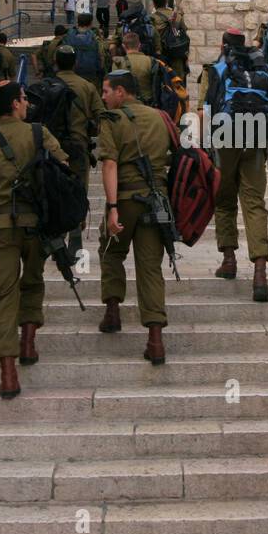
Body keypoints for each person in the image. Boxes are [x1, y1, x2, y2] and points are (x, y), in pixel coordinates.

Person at [0, 80, 70, 397]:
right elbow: (64, 169)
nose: (27, 103)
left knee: (3, 295)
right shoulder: (39, 134)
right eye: (24, 99)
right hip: (37, 226)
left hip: (1, 228)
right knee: (33, 281)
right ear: (14, 103)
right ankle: (28, 342)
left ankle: (8, 373)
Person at [96, 69, 173, 365]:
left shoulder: (111, 119)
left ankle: (113, 312)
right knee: (151, 267)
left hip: (126, 198)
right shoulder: (159, 117)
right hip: (156, 202)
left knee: (111, 251)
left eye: (106, 91)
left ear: (120, 92)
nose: (102, 97)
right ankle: (155, 341)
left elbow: (110, 165)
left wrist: (113, 207)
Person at [198, 28, 268, 301]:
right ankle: (260, 273)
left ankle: (229, 260)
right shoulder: (261, 67)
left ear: (223, 44)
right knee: (254, 203)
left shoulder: (217, 69)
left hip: (225, 136)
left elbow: (204, 110)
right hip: (255, 137)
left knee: (225, 198)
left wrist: (205, 145)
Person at [53, 44, 106, 257]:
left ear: (56, 62)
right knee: (77, 193)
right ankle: (75, 240)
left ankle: (55, 240)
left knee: (54, 192)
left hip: (52, 150)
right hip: (78, 148)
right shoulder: (87, 86)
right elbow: (101, 115)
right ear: (75, 63)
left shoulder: (47, 85)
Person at [149, 0, 190, 81]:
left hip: (159, 58)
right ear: (166, 1)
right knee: (178, 84)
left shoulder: (151, 19)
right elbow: (184, 33)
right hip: (176, 56)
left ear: (154, 4)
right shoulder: (177, 16)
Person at [66, 12, 110, 90]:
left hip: (73, 73)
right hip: (91, 75)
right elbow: (102, 57)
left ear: (78, 22)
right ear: (90, 23)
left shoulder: (69, 36)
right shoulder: (95, 37)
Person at [112, 31, 157, 102]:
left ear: (123, 46)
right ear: (139, 45)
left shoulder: (118, 62)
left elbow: (114, 85)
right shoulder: (151, 61)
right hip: (148, 103)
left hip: (126, 104)